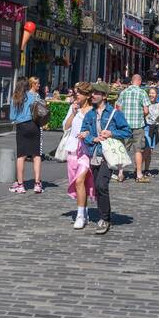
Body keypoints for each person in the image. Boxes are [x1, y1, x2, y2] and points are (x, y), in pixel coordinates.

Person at [78, 83, 130, 234]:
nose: (93, 95)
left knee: (101, 185)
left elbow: (127, 132)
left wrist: (111, 134)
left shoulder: (115, 113)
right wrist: (91, 139)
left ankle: (105, 219)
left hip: (108, 156)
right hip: (94, 154)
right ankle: (104, 215)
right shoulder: (90, 114)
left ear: (105, 96)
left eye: (97, 93)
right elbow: (84, 131)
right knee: (98, 187)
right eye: (92, 92)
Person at [64, 83, 96, 229]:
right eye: (77, 92)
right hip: (72, 149)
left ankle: (80, 216)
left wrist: (87, 134)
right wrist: (73, 113)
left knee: (79, 181)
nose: (77, 95)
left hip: (86, 150)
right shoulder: (74, 107)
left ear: (88, 95)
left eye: (81, 93)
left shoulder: (93, 111)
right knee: (78, 185)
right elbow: (65, 126)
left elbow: (95, 130)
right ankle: (84, 209)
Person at [10, 76, 45, 194]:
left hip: (21, 126)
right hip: (34, 125)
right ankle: (37, 184)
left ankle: (20, 185)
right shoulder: (35, 96)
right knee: (36, 155)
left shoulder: (16, 98)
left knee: (21, 156)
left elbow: (12, 117)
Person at [114, 73, 149, 184]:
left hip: (125, 126)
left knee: (122, 149)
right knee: (138, 150)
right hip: (138, 125)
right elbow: (146, 111)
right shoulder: (142, 92)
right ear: (139, 81)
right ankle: (139, 174)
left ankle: (120, 173)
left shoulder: (124, 92)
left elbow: (118, 108)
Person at [140, 85, 159, 180]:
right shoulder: (146, 104)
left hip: (154, 128)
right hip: (146, 127)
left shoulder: (158, 105)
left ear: (156, 95)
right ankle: (138, 168)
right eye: (150, 93)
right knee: (147, 149)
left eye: (153, 93)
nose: (151, 94)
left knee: (150, 151)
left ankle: (146, 170)